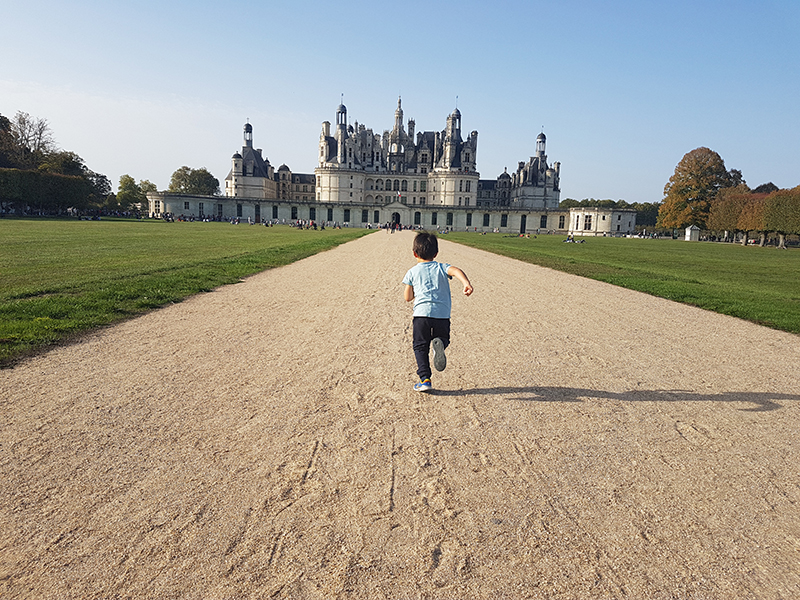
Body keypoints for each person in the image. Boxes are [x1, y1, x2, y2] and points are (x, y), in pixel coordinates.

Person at [403, 231, 473, 392]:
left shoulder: (412, 272)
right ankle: (439, 344)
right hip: (442, 314)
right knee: (443, 338)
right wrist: (466, 283)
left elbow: (407, 297)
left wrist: (413, 288)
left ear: (414, 253)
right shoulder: (442, 267)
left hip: (421, 314)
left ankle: (425, 379)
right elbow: (455, 270)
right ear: (436, 253)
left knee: (420, 347)